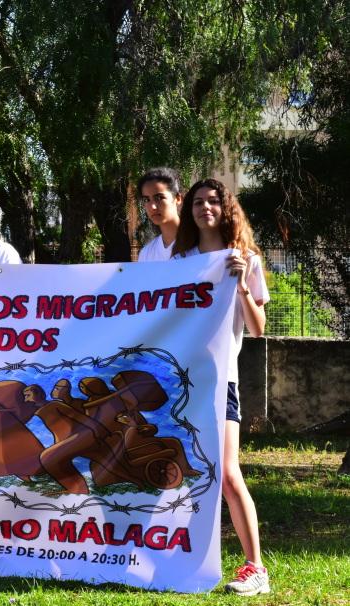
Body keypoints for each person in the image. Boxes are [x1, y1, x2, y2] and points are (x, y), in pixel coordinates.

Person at [172, 178, 271, 596]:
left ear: (226, 207)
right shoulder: (181, 258)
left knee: (228, 475)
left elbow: (257, 327)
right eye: (198, 201)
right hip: (178, 383)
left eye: (214, 200)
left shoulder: (244, 258)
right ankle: (171, 557)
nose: (205, 207)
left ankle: (256, 568)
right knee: (176, 469)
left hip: (220, 381)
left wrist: (242, 286)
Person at [136, 167, 183, 261]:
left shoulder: (200, 244)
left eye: (159, 198)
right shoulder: (146, 254)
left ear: (178, 198)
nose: (152, 207)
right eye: (147, 200)